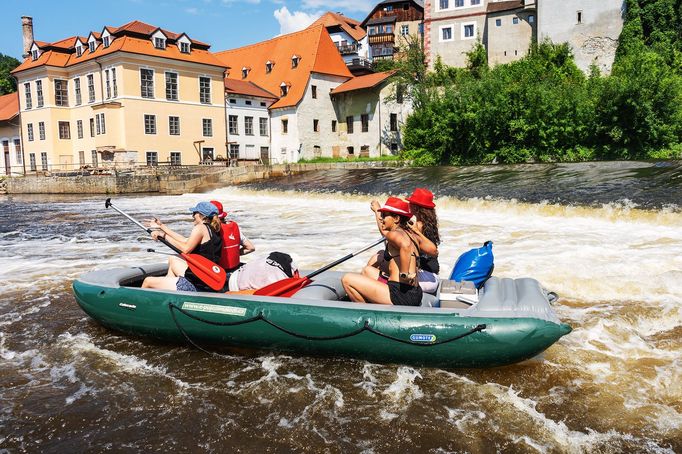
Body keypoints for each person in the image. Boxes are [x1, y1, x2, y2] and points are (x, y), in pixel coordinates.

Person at [342, 197, 435, 306]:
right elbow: (433, 250)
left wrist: (404, 275)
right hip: (415, 293)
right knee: (367, 271)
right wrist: (416, 232)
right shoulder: (412, 235)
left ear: (396, 218)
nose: (382, 219)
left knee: (347, 279)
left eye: (385, 215)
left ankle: (366, 315)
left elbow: (405, 245)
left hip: (399, 294)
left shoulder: (394, 234)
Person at [362, 188, 440, 294]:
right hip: (431, 276)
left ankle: (367, 287)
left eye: (410, 203)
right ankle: (368, 286)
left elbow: (385, 232)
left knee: (377, 260)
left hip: (422, 277)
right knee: (381, 256)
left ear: (416, 207)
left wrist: (377, 211)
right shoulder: (428, 224)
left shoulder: (417, 226)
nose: (409, 205)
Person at [141, 201, 223, 292]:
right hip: (207, 280)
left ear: (202, 215)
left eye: (194, 213)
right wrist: (161, 227)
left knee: (147, 281)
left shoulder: (200, 228)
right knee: (173, 260)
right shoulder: (214, 229)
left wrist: (164, 236)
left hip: (197, 284)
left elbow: (185, 249)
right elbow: (184, 240)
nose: (192, 216)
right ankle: (170, 296)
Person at [209, 200, 255, 272]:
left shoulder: (209, 230)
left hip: (219, 272)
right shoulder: (234, 226)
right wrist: (233, 254)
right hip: (235, 269)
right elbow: (250, 248)